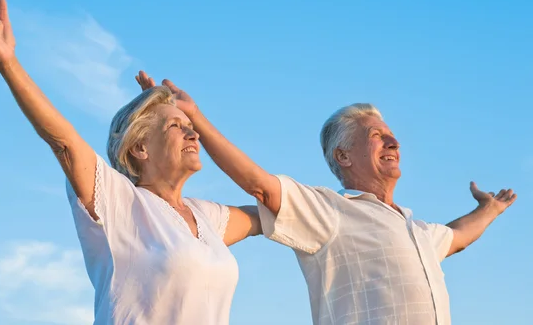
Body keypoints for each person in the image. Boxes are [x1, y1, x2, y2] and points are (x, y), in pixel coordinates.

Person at [0, 0, 261, 325]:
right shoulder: (119, 201)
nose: (193, 134)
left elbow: (273, 210)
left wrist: (194, 115)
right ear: (140, 148)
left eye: (190, 126)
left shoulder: (207, 217)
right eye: (175, 128)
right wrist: (8, 63)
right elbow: (63, 141)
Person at [137, 72, 517, 325]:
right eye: (376, 136)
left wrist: (490, 209)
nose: (393, 142)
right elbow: (259, 184)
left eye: (392, 136)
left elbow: (458, 235)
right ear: (343, 156)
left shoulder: (416, 230)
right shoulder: (329, 211)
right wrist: (196, 117)